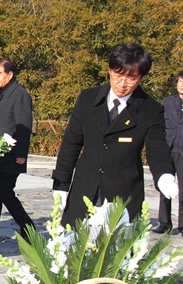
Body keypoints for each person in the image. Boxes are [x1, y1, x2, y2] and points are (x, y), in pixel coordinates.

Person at [52, 43, 177, 226]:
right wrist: (61, 184)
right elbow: (71, 143)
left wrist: (164, 175)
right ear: (110, 71)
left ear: (141, 77)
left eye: (131, 78)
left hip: (123, 193)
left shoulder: (150, 109)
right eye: (118, 76)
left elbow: (156, 147)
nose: (123, 84)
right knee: (74, 249)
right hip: (85, 188)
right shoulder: (88, 98)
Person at [0, 59, 35, 244]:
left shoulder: (19, 94)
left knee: (5, 192)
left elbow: (23, 124)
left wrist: (21, 153)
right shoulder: (1, 94)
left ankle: (28, 227)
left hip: (12, 154)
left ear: (10, 74)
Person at [153, 70, 183, 234]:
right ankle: (164, 223)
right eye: (180, 82)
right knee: (165, 186)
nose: (182, 85)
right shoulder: (167, 101)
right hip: (167, 148)